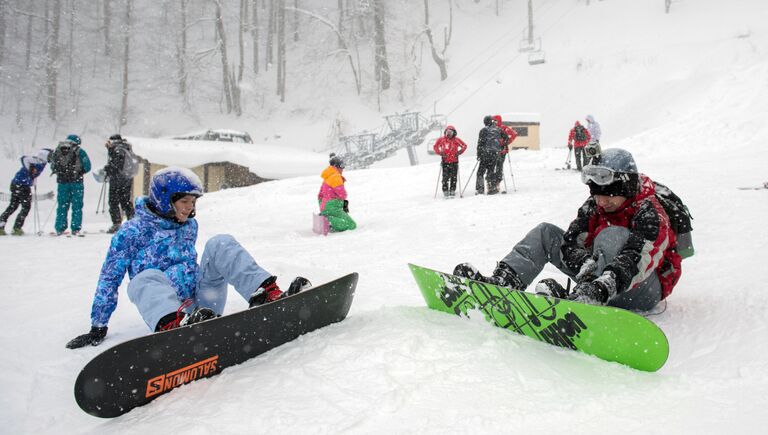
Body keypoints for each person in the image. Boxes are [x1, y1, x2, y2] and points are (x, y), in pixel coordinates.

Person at [66, 167, 302, 349]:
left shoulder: (188, 226)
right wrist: (98, 325)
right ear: (164, 200)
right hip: (169, 315)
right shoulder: (131, 233)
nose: (190, 208)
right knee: (144, 277)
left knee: (220, 243)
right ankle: (173, 326)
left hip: (203, 306)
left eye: (193, 202)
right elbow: (109, 278)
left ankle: (266, 294)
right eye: (184, 202)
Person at [454, 148, 682, 312]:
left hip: (641, 289)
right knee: (546, 233)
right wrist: (588, 269)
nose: (601, 202)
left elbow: (638, 259)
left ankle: (588, 297)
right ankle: (504, 281)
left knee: (612, 236)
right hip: (597, 281)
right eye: (596, 194)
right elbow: (571, 243)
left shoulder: (651, 212)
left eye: (608, 196)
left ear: (627, 188)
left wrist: (602, 286)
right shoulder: (594, 205)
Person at [0, 149, 51, 236]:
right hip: (21, 185)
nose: (51, 158)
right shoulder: (37, 160)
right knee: (25, 207)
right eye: (50, 156)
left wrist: (33, 181)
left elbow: (34, 174)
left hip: (17, 184)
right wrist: (29, 169)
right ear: (45, 155)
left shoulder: (43, 163)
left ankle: (2, 226)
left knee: (13, 206)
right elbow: (24, 158)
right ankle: (16, 228)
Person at [49, 134, 91, 236]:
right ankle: (75, 228)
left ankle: (60, 228)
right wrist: (79, 173)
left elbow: (52, 166)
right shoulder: (80, 151)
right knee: (77, 206)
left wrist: (62, 173)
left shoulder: (58, 150)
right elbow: (88, 166)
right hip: (77, 183)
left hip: (62, 183)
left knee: (62, 206)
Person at [103, 134, 136, 233]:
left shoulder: (118, 149)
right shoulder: (126, 148)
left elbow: (117, 165)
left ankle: (117, 224)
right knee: (125, 201)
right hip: (126, 179)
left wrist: (107, 169)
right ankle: (133, 221)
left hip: (117, 180)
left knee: (113, 202)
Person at [318, 154, 357, 232]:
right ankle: (328, 221)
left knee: (345, 221)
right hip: (333, 207)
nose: (343, 169)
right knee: (351, 225)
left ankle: (326, 217)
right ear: (336, 166)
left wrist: (324, 208)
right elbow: (342, 194)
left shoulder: (327, 177)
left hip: (326, 206)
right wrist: (339, 202)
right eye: (342, 166)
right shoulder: (335, 177)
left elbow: (320, 195)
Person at [475, 115, 509, 195]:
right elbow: (506, 138)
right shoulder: (499, 129)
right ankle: (492, 188)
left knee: (480, 172)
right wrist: (501, 145)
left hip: (485, 154)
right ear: (492, 121)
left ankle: (480, 189)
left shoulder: (483, 130)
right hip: (495, 154)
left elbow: (480, 144)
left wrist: (479, 154)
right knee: (490, 171)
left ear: (485, 122)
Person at [433, 125, 468, 198]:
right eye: (447, 132)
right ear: (445, 132)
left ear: (454, 133)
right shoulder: (442, 139)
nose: (449, 134)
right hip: (445, 162)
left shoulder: (456, 140)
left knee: (454, 177)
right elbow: (435, 146)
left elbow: (464, 146)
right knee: (445, 177)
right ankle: (445, 190)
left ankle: (452, 190)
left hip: (454, 162)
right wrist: (440, 153)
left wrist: (459, 152)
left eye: (450, 132)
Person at [491, 114, 518, 193]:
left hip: (502, 151)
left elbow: (514, 134)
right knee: (493, 167)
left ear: (498, 120)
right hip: (493, 151)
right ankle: (493, 183)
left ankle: (497, 183)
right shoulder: (492, 128)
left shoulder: (504, 128)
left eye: (495, 120)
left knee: (499, 167)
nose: (493, 122)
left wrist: (507, 142)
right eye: (492, 120)